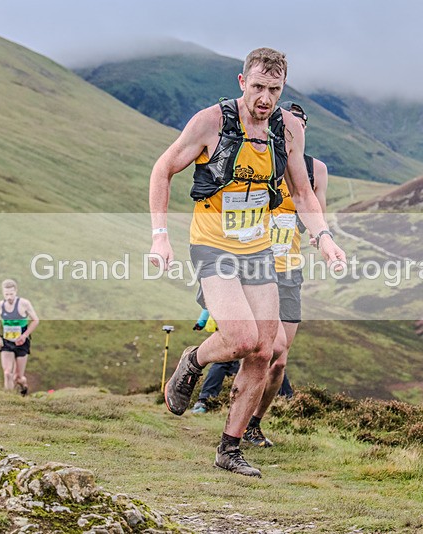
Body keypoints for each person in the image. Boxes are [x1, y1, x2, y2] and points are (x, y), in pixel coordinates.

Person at [150, 47, 345, 477]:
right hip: (212, 243)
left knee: (264, 347)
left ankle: (230, 448)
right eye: (258, 87)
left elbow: (303, 190)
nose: (265, 98)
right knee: (239, 337)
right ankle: (194, 361)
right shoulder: (211, 122)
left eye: (274, 89)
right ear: (242, 83)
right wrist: (160, 236)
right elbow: (163, 169)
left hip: (258, 249)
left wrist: (323, 237)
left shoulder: (289, 128)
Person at [243, 101, 327, 447]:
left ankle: (253, 424)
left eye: (299, 124)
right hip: (256, 261)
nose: (293, 129)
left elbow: (316, 207)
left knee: (279, 360)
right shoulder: (261, 155)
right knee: (259, 348)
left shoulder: (315, 168)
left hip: (290, 266)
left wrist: (320, 234)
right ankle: (235, 418)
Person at [0, 279, 39, 396]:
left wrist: (24, 335)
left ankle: (24, 386)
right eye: (6, 294)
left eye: (11, 294)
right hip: (7, 342)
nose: (9, 297)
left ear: (16, 291)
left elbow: (36, 320)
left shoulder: (24, 304)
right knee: (8, 373)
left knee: (18, 377)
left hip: (21, 342)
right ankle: (9, 399)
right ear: (3, 293)